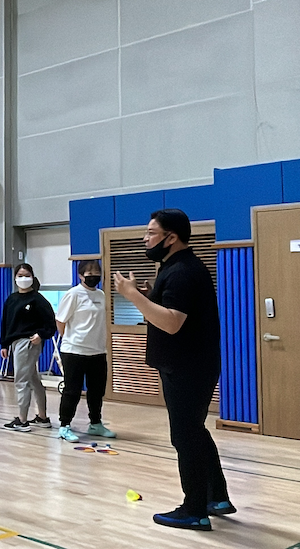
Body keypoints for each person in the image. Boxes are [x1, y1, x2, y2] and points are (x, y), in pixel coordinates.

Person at [114, 209, 232, 531]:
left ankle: (194, 510)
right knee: (195, 431)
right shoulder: (177, 267)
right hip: (191, 365)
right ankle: (217, 497)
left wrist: (132, 295)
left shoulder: (182, 271)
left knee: (185, 436)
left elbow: (171, 322)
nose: (145, 239)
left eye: (151, 233)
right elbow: (168, 311)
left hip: (186, 368)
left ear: (171, 237)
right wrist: (148, 296)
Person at [55, 259, 114, 442]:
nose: (93, 276)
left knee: (97, 390)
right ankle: (64, 426)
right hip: (74, 351)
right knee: (72, 390)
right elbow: (61, 321)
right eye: (89, 273)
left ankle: (95, 423)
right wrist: (71, 339)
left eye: (96, 273)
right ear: (81, 275)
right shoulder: (73, 294)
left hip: (97, 351)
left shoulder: (101, 295)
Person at [0, 263, 56, 432]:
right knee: (32, 379)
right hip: (15, 343)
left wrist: (41, 335)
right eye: (20, 275)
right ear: (15, 278)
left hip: (28, 342)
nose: (23, 279)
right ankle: (42, 417)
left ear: (32, 277)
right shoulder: (12, 299)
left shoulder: (38, 299)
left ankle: (22, 420)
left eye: (27, 275)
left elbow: (50, 323)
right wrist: (4, 344)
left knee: (21, 380)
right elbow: (6, 323)